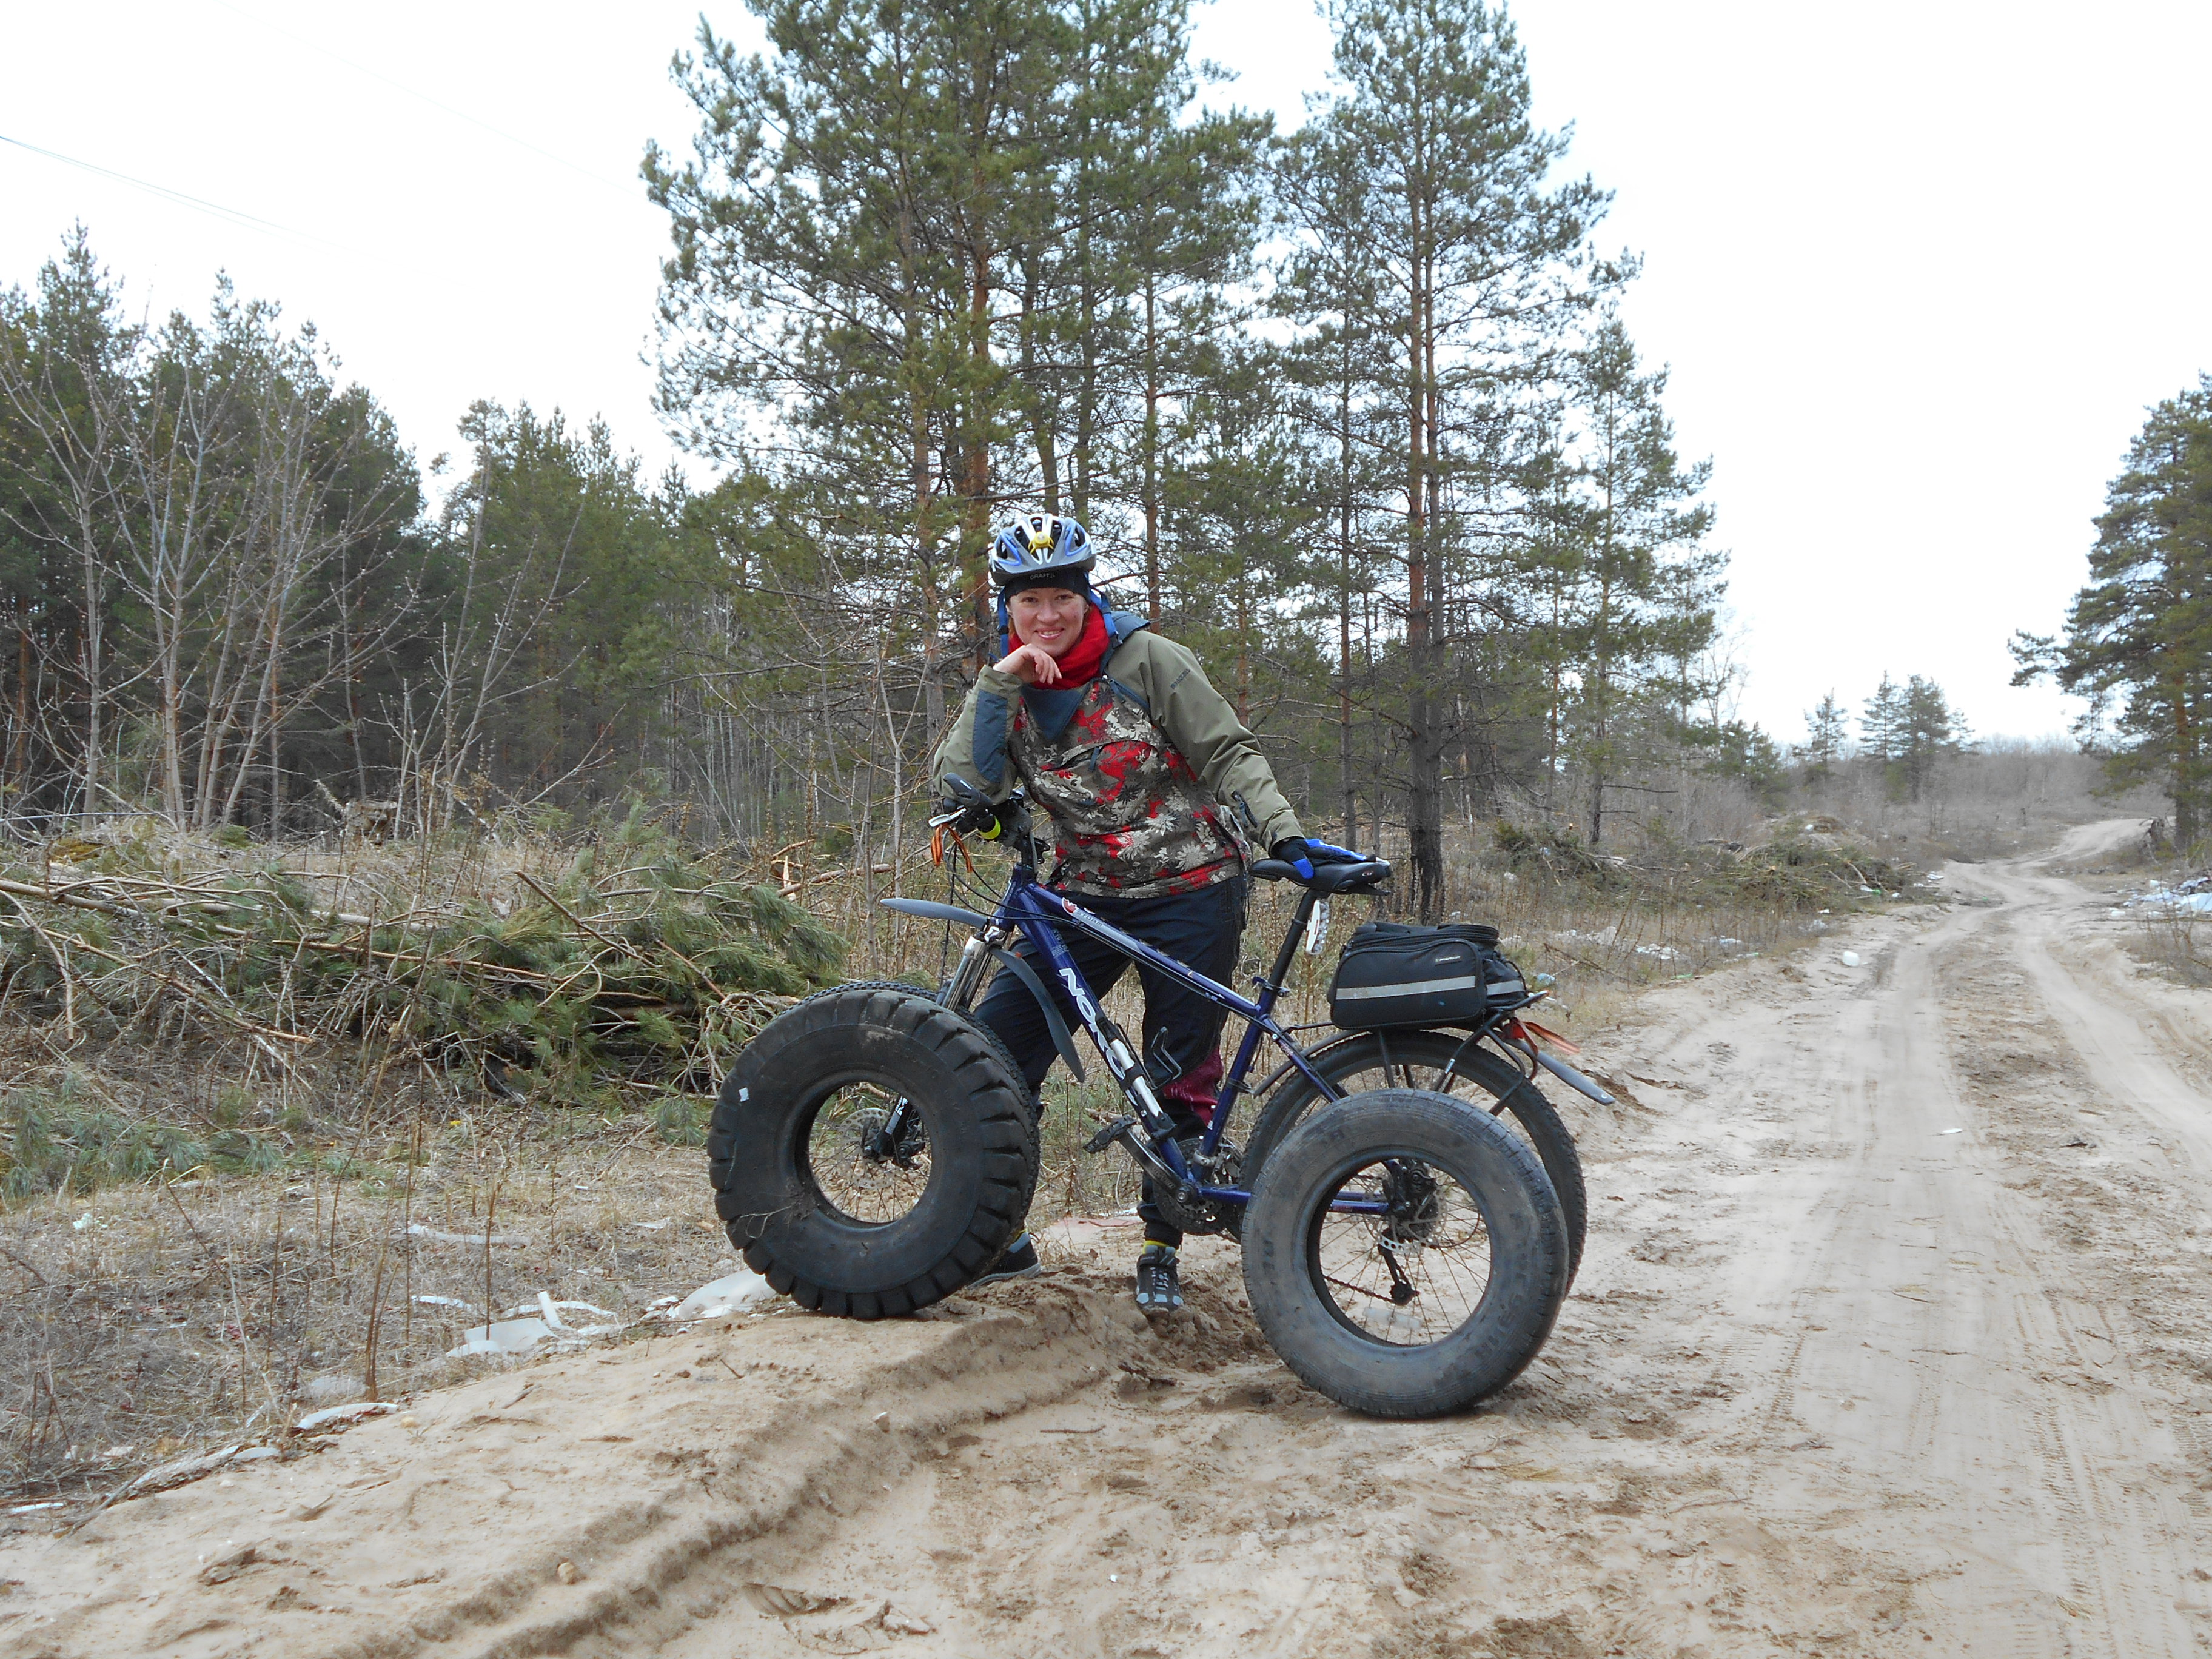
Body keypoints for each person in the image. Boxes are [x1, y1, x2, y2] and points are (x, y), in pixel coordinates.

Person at [930, 512, 1350, 1314]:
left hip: (1191, 888)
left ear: (1085, 597)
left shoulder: (1148, 660)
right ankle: (995, 1237)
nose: (1046, 617)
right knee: (991, 1055)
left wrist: (1284, 833)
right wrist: (1000, 683)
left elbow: (1227, 750)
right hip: (1079, 895)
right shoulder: (1006, 685)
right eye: (1028, 602)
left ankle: (1162, 1244)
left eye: (1061, 598)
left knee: (1176, 1073)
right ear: (1007, 609)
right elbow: (964, 785)